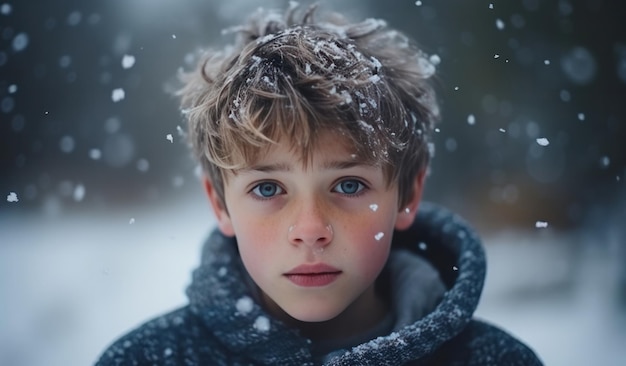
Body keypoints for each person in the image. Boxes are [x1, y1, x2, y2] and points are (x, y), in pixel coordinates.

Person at [96, 3, 542, 365]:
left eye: (348, 185)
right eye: (268, 189)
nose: (310, 228)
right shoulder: (144, 360)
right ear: (221, 205)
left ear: (407, 195)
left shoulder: (496, 360)